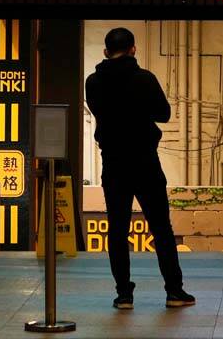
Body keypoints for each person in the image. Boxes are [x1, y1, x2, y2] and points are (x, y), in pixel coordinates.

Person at [85, 27, 194, 310]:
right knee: (161, 228)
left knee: (118, 230)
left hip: (113, 163)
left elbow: (101, 112)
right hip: (145, 161)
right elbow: (164, 114)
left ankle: (124, 294)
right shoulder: (145, 79)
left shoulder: (93, 82)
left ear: (106, 52)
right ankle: (174, 291)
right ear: (133, 48)